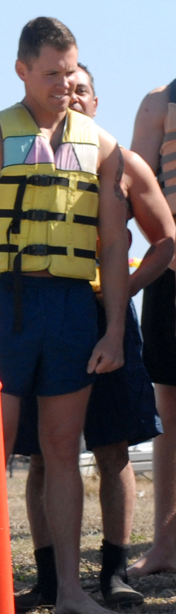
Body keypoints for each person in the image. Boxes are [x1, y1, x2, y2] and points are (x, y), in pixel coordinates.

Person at [0, 16, 132, 614]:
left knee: (62, 451)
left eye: (70, 71)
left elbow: (110, 246)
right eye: (50, 72)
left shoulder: (102, 145)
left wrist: (111, 331)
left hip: (73, 310)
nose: (62, 82)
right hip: (1, 304)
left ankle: (72, 591)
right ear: (22, 70)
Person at [12, 64, 175, 608]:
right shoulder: (22, 156)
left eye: (82, 90)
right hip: (38, 313)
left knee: (113, 451)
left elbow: (165, 241)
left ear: (96, 102)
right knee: (41, 456)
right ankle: (49, 576)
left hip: (105, 319)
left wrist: (121, 290)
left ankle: (112, 572)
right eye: (64, 89)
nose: (72, 97)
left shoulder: (121, 162)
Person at [127, 76, 176, 578]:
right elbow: (137, 187)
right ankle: (167, 544)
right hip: (172, 274)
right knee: (170, 411)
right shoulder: (160, 102)